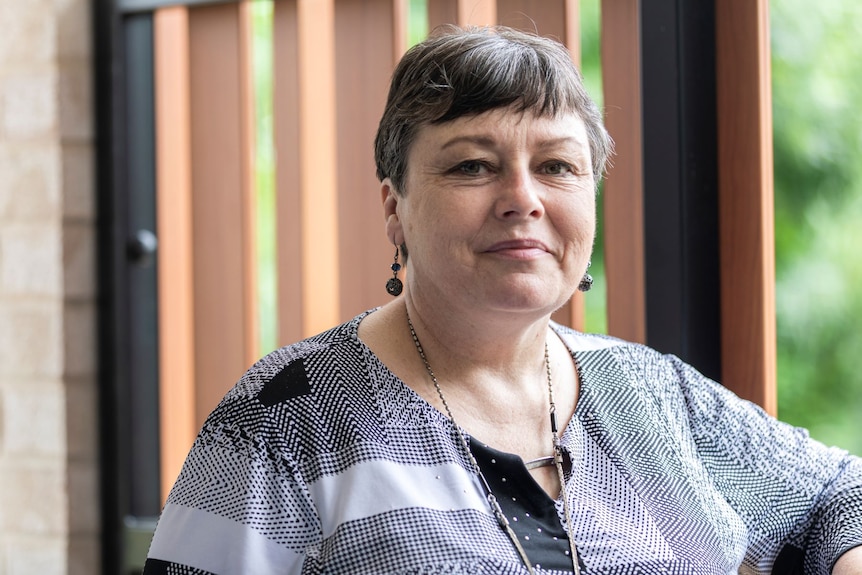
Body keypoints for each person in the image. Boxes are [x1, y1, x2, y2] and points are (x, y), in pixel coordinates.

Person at [143, 25, 862, 574]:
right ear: (394, 208)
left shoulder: (649, 391)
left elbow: (841, 492)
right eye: (472, 166)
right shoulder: (283, 416)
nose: (522, 199)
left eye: (557, 166)